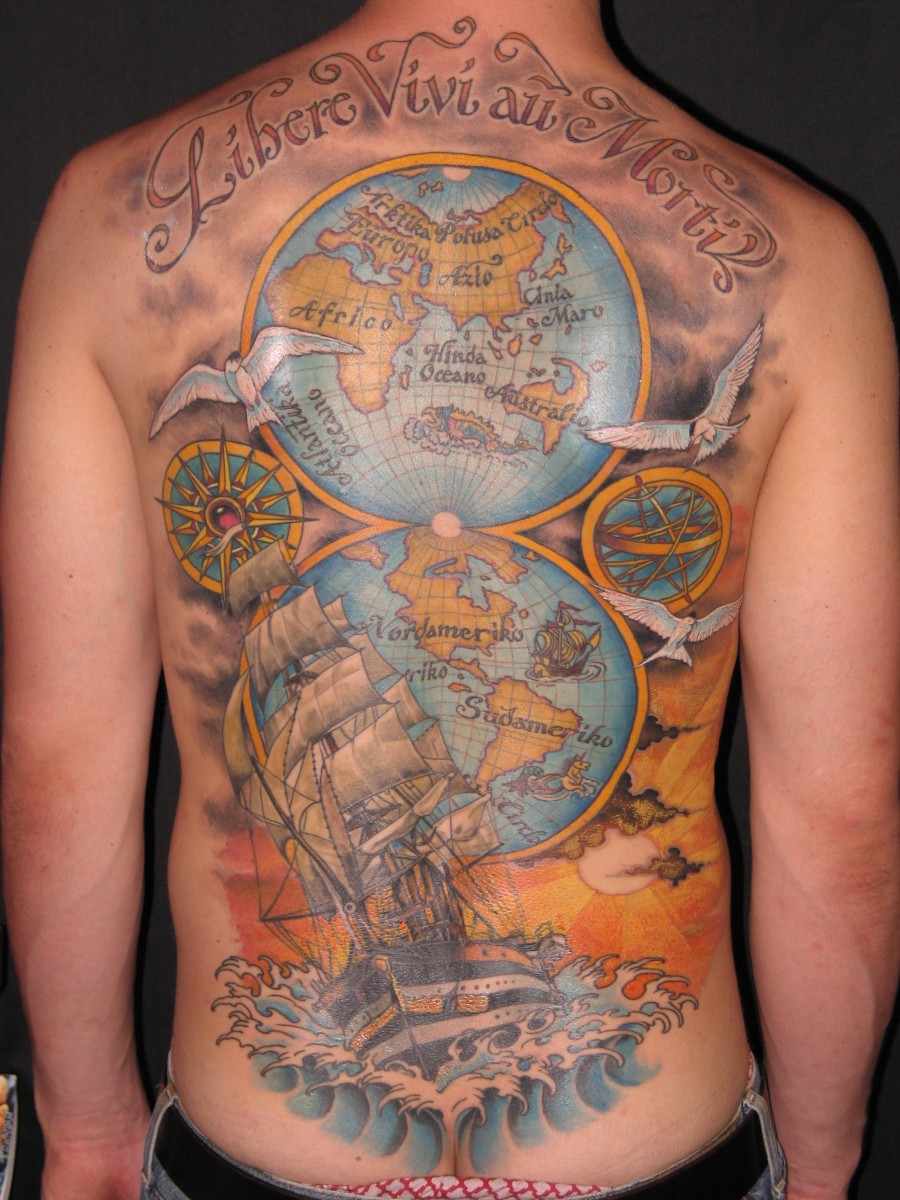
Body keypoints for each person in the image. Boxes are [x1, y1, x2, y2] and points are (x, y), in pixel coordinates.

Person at [2, 1, 897, 1198]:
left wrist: (84, 1130)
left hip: (253, 1157)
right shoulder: (803, 261)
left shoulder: (114, 220)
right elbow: (841, 816)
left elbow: (56, 765)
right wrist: (826, 1159)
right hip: (654, 1155)